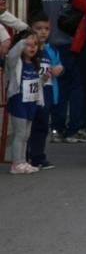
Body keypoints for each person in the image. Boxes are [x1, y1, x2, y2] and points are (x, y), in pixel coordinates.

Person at [41, 0, 86, 145]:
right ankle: (74, 128)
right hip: (75, 41)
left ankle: (56, 127)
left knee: (56, 84)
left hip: (50, 41)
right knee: (77, 85)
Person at [26, 13, 63, 170]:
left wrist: (58, 69)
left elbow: (58, 65)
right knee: (29, 126)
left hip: (47, 92)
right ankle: (25, 156)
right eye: (39, 28)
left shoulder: (51, 49)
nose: (43, 32)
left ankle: (38, 156)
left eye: (46, 29)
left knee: (42, 125)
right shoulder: (28, 48)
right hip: (30, 93)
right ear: (31, 29)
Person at [6, 32, 43, 174]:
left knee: (26, 134)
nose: (31, 48)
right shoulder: (16, 62)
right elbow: (11, 55)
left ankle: (22, 161)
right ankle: (16, 164)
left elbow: (36, 84)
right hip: (18, 101)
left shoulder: (35, 63)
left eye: (35, 44)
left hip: (31, 102)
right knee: (19, 133)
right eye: (28, 44)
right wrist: (22, 42)